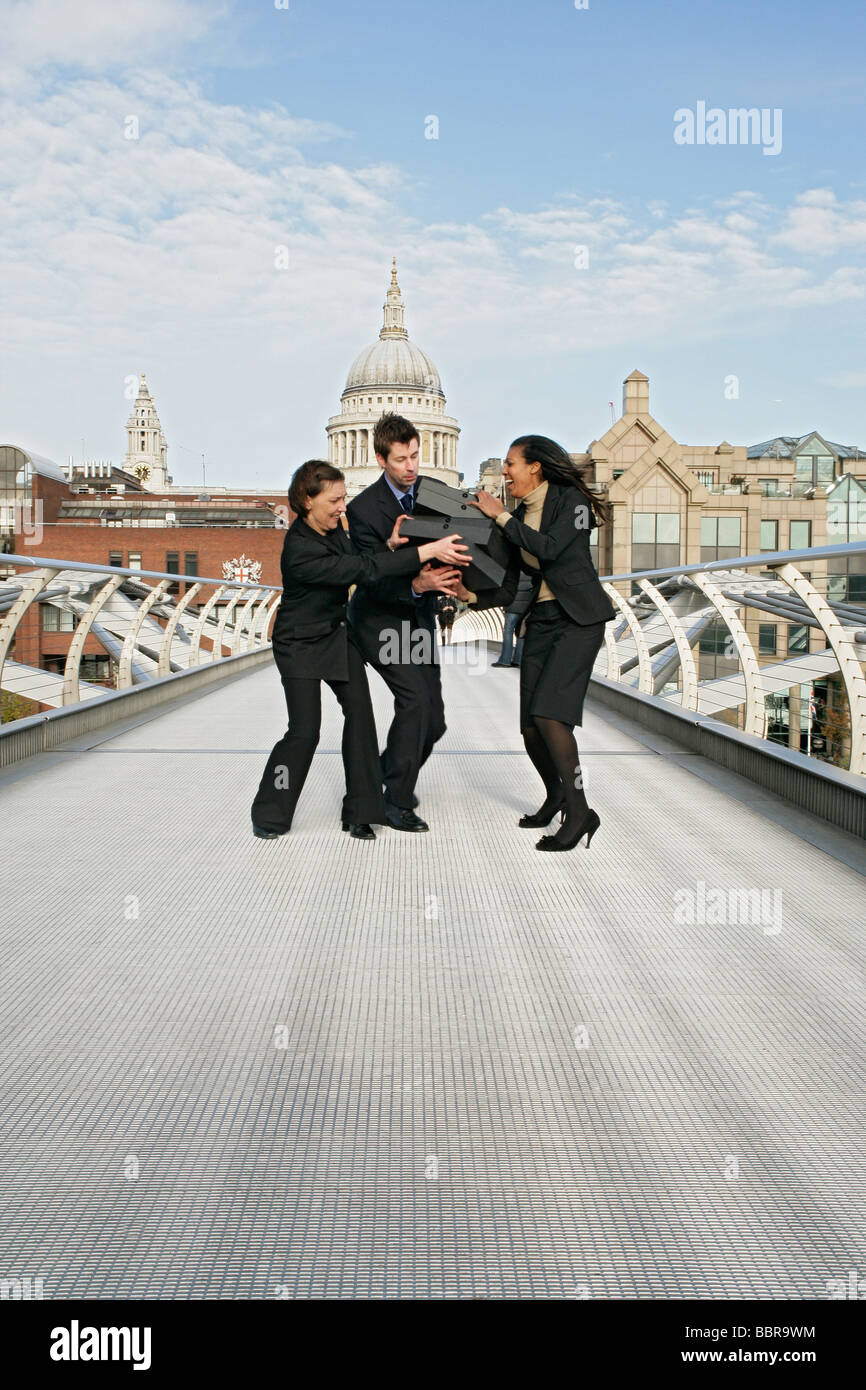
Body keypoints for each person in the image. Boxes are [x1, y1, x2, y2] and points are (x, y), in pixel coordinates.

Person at [251, 460, 469, 842]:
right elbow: (362, 570)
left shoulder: (334, 531)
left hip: (337, 637)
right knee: (304, 731)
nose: (341, 507)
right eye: (334, 500)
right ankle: (270, 812)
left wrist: (390, 544)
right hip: (299, 643)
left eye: (344, 498)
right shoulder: (299, 549)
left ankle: (360, 811)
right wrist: (425, 552)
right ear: (307, 500)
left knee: (361, 720)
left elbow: (362, 559)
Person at [457, 435, 616, 852]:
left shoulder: (572, 503)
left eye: (511, 464)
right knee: (530, 726)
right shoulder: (516, 514)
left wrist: (500, 519)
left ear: (535, 467)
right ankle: (557, 795)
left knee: (551, 716)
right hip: (542, 621)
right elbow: (509, 587)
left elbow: (550, 549)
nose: (505, 472)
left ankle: (580, 812)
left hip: (579, 620)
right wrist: (469, 596)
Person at [347, 413, 464, 833]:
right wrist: (416, 581)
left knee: (434, 721)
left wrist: (461, 584)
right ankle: (395, 802)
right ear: (381, 459)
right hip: (379, 618)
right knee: (413, 701)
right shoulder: (362, 511)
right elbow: (371, 576)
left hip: (417, 618)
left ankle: (377, 779)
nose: (411, 466)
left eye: (416, 455)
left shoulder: (434, 495)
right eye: (401, 460)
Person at [491, 572, 534, 667]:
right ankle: (518, 660)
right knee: (521, 632)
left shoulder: (513, 569)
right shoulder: (532, 568)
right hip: (526, 606)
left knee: (508, 632)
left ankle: (505, 660)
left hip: (512, 605)